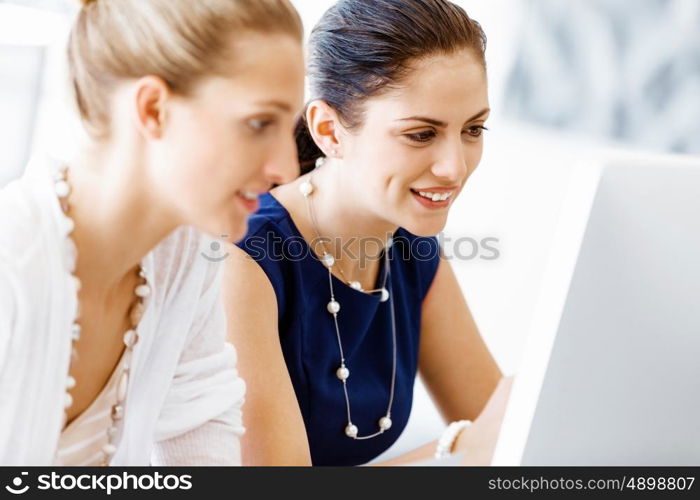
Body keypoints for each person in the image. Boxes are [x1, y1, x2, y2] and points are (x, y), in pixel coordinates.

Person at [0, 0, 304, 466]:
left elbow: (203, 432)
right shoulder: (13, 265)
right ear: (153, 108)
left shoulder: (185, 258)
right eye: (260, 123)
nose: (285, 167)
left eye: (289, 128)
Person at [225, 0, 511, 466]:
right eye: (421, 134)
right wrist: (451, 454)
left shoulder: (413, 250)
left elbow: (505, 434)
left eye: (473, 129)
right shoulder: (246, 260)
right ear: (329, 130)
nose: (454, 167)